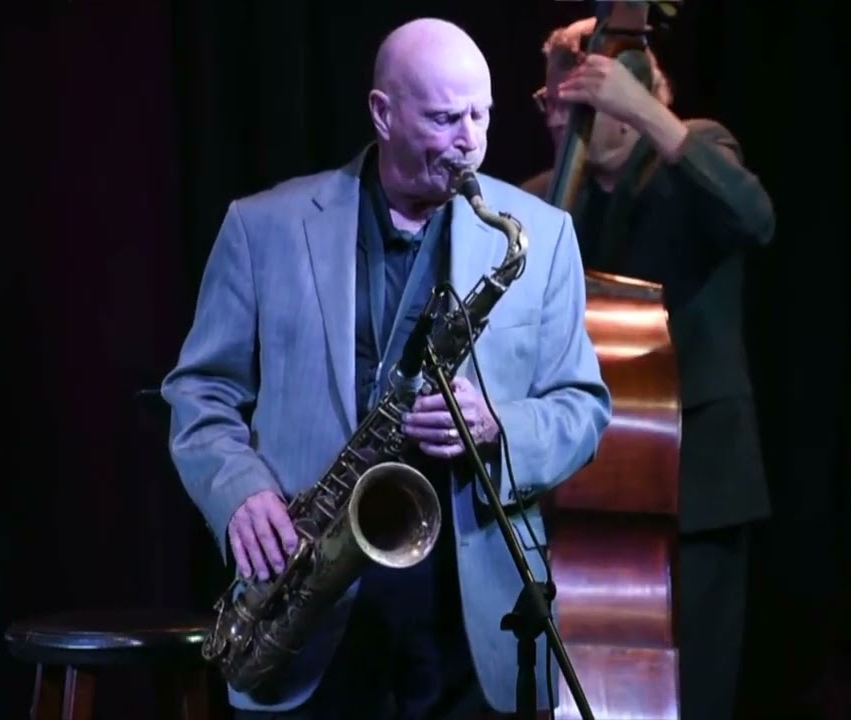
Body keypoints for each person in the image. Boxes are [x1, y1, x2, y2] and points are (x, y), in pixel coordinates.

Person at [161, 17, 611, 720]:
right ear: (383, 113)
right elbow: (200, 392)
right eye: (443, 117)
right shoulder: (262, 226)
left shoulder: (543, 235)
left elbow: (582, 405)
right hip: (307, 602)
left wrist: (497, 427)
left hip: (471, 618)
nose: (469, 139)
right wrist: (240, 494)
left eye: (480, 115)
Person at [521, 13, 776, 720]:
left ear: (625, 111)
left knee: (698, 698)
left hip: (700, 494)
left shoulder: (693, 156)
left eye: (575, 104)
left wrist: (652, 115)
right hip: (582, 502)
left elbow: (755, 220)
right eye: (550, 104)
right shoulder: (542, 201)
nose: (556, 122)